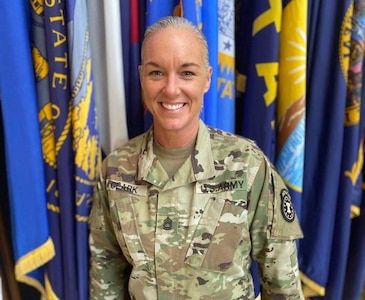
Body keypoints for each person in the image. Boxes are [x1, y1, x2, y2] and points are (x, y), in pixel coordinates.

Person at [89, 16, 304, 300]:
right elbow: (106, 284)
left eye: (187, 73)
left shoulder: (248, 167)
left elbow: (283, 288)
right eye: (156, 73)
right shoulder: (116, 171)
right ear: (141, 77)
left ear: (207, 78)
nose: (171, 88)